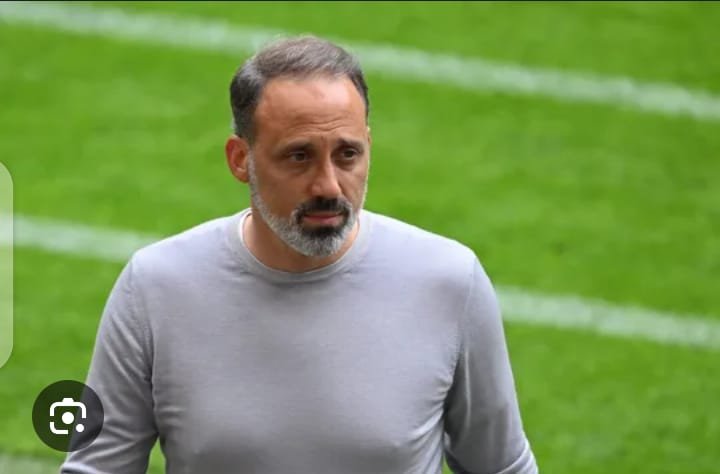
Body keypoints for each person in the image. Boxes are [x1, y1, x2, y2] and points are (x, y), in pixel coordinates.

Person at [62, 36, 538, 474]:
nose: (328, 186)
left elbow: (502, 467)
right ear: (240, 159)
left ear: (369, 147)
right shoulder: (155, 287)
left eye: (347, 155)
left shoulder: (449, 282)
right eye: (299, 156)